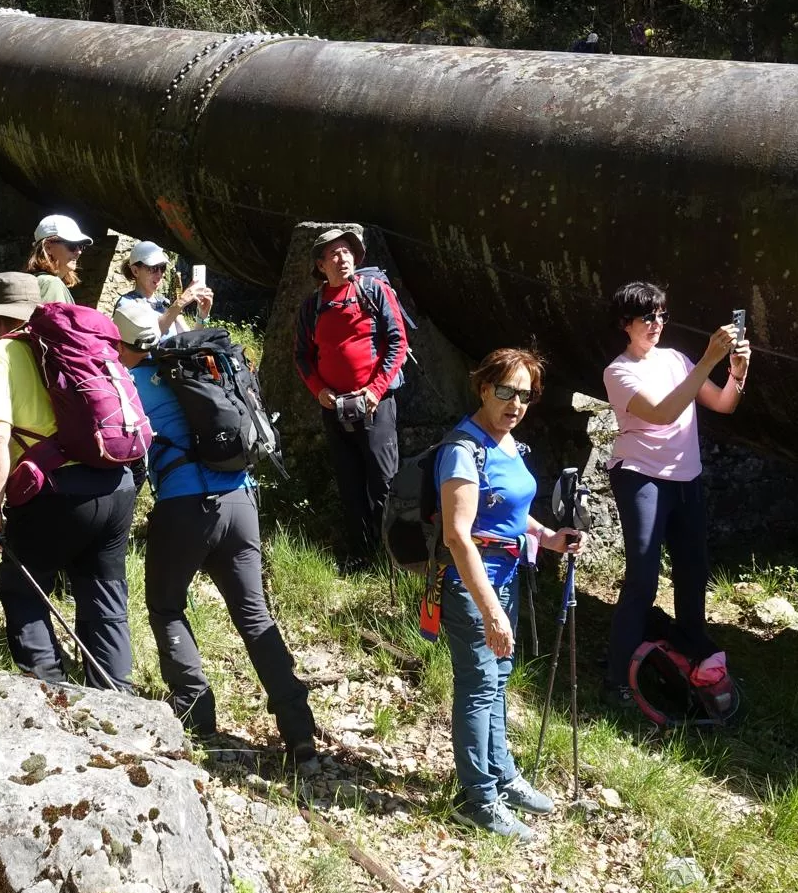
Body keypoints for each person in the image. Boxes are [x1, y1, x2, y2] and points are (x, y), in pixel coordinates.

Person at [111, 300, 316, 762]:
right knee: (254, 616)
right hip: (242, 501)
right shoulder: (202, 371)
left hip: (185, 507)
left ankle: (195, 710)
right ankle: (298, 727)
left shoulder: (132, 380)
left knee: (166, 605)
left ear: (121, 342)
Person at [435, 348, 580, 840]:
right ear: (483, 388)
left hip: (507, 580)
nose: (516, 403)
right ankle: (477, 799)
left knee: (497, 679)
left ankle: (502, 776)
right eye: (506, 392)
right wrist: (490, 609)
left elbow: (513, 515)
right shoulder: (463, 449)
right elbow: (458, 536)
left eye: (525, 395)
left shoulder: (509, 443)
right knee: (478, 687)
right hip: (471, 587)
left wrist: (548, 538)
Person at [0, 271, 136, 689]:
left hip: (56, 492)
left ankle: (52, 696)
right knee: (104, 598)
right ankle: (119, 702)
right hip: (116, 481)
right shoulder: (82, 347)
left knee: (22, 585)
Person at [601, 281, 750, 703]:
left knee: (693, 573)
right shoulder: (618, 372)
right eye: (647, 317)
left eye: (662, 315)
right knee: (643, 578)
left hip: (686, 478)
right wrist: (707, 360)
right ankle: (617, 680)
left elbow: (723, 404)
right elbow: (664, 413)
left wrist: (736, 371)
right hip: (641, 476)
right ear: (624, 324)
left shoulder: (678, 360)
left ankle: (691, 662)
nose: (656, 324)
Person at [292, 223, 409, 571]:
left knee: (384, 482)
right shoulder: (312, 307)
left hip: (376, 405)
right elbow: (302, 356)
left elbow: (397, 342)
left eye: (346, 251)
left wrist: (374, 391)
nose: (341, 258)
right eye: (333, 254)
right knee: (349, 482)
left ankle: (394, 559)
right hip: (335, 407)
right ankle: (361, 555)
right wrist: (320, 391)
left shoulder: (374, 291)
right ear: (321, 265)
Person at [112, 240, 213, 341]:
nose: (160, 274)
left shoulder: (165, 303)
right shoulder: (126, 304)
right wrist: (180, 302)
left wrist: (201, 316)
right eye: (153, 268)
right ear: (135, 271)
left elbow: (190, 341)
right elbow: (148, 338)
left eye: (162, 268)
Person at [26, 213, 91, 305]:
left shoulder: (39, 280)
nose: (79, 252)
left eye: (81, 246)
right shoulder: (51, 283)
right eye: (72, 245)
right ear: (48, 247)